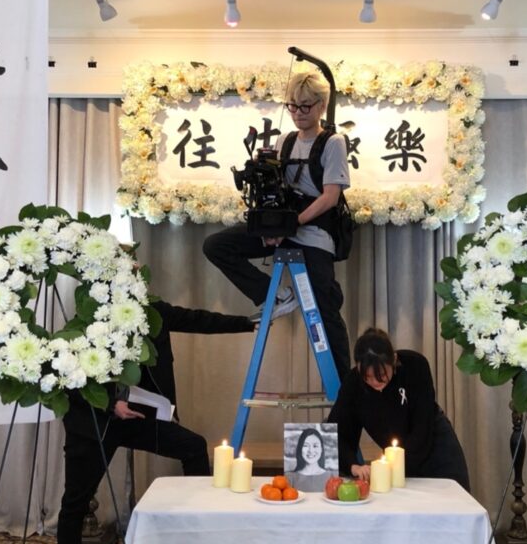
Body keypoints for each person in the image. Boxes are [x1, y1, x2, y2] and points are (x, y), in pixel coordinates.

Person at [57, 299, 255, 544]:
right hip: (95, 421)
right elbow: (68, 379)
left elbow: (198, 320)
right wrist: (110, 403)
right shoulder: (88, 316)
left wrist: (249, 322)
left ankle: (200, 530)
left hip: (139, 415)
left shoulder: (154, 311)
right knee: (76, 501)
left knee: (193, 447)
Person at [203, 70, 351, 377]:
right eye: (292, 106)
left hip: (313, 232)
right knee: (217, 245)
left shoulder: (333, 142)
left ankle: (344, 388)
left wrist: (292, 224)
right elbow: (276, 189)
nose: (297, 114)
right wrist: (271, 228)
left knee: (326, 308)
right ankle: (275, 294)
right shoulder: (285, 141)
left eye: (305, 107)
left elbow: (330, 197)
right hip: (284, 227)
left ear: (321, 106)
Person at [327, 328, 471, 491]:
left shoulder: (415, 366)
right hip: (395, 460)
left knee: (453, 499)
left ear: (394, 360)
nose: (375, 382)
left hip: (434, 445)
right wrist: (353, 465)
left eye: (381, 374)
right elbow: (337, 431)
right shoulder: (353, 384)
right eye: (367, 377)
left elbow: (422, 423)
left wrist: (396, 465)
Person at [288, 427, 329, 492]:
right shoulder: (290, 477)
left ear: (321, 449)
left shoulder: (331, 477)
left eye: (315, 446)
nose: (310, 450)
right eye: (306, 446)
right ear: (300, 448)